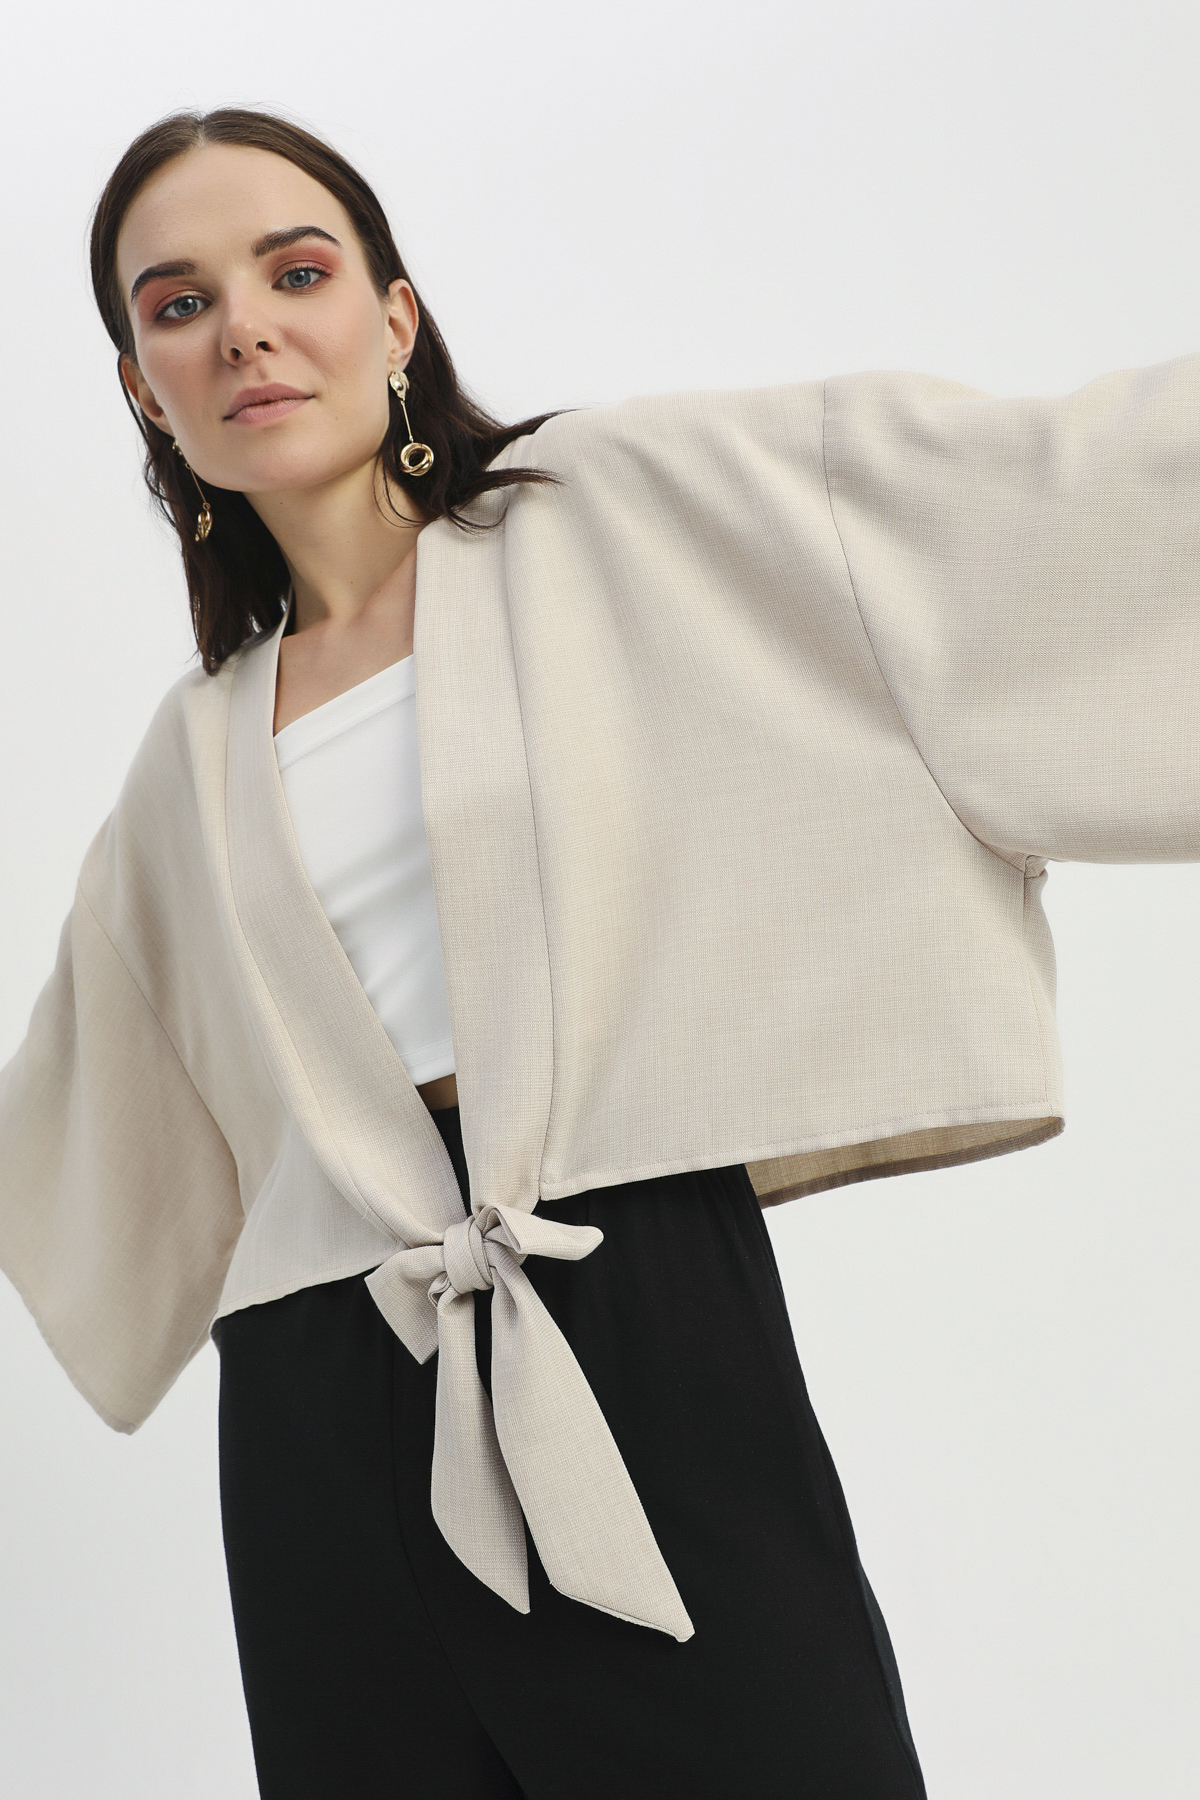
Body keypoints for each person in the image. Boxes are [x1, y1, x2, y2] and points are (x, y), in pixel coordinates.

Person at [2, 105, 1198, 1799]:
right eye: (179, 304)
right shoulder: (184, 761)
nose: (244, 329)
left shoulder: (611, 516)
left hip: (624, 1309)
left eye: (296, 272)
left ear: (395, 319)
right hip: (317, 1401)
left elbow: (994, 508)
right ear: (144, 386)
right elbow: (69, 1132)